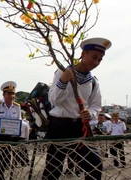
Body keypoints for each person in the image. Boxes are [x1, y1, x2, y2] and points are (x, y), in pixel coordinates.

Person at [42, 37, 112, 180]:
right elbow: (54, 100)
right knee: (53, 169)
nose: (96, 62)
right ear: (83, 53)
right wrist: (63, 81)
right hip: (59, 126)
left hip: (81, 128)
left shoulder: (93, 82)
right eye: (94, 57)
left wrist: (89, 114)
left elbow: (96, 106)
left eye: (100, 59)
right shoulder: (62, 72)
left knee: (94, 165)